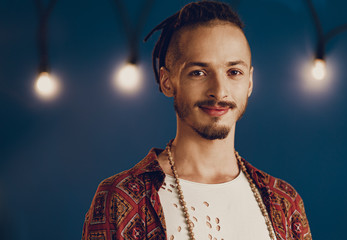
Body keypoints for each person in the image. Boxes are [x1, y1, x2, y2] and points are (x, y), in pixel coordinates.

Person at [82, 1, 312, 239]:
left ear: (250, 82)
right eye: (199, 73)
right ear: (167, 81)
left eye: (234, 72)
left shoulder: (284, 203)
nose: (219, 91)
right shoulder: (119, 199)